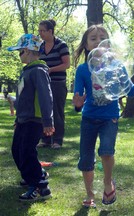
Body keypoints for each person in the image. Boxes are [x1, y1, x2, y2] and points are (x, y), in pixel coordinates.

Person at [72, 24, 134, 208]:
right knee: (86, 158)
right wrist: (78, 105)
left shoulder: (117, 67)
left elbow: (130, 91)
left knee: (107, 152)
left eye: (103, 39)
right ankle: (89, 194)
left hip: (110, 117)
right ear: (86, 45)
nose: (98, 42)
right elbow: (78, 96)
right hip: (89, 118)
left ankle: (108, 183)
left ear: (109, 45)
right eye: (93, 39)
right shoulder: (83, 70)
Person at [7, 34, 54, 201]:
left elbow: (45, 97)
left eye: (19, 51)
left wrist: (48, 121)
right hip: (23, 120)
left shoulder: (38, 71)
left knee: (27, 151)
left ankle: (39, 186)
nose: (19, 54)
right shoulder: (27, 71)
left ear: (26, 51)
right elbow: (23, 99)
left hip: (34, 120)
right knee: (17, 150)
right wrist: (17, 119)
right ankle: (32, 176)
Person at [37, 19, 70, 149]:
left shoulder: (61, 45)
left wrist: (50, 70)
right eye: (39, 31)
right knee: (44, 111)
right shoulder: (39, 46)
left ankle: (57, 140)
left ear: (50, 31)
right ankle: (45, 139)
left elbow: (66, 64)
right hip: (43, 84)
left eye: (42, 31)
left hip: (57, 83)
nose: (40, 33)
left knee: (57, 112)